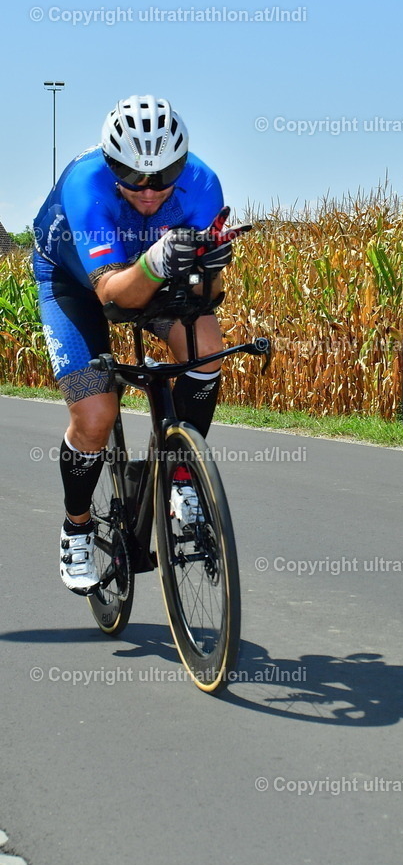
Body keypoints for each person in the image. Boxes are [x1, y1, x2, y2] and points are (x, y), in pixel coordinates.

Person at [33, 95, 234, 595]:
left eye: (164, 177)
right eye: (133, 175)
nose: (149, 191)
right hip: (73, 283)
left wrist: (208, 271)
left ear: (182, 165)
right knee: (96, 416)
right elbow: (110, 298)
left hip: (151, 268)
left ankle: (182, 476)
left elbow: (208, 296)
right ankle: (76, 526)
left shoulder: (204, 185)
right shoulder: (87, 186)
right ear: (110, 162)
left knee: (206, 342)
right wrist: (158, 261)